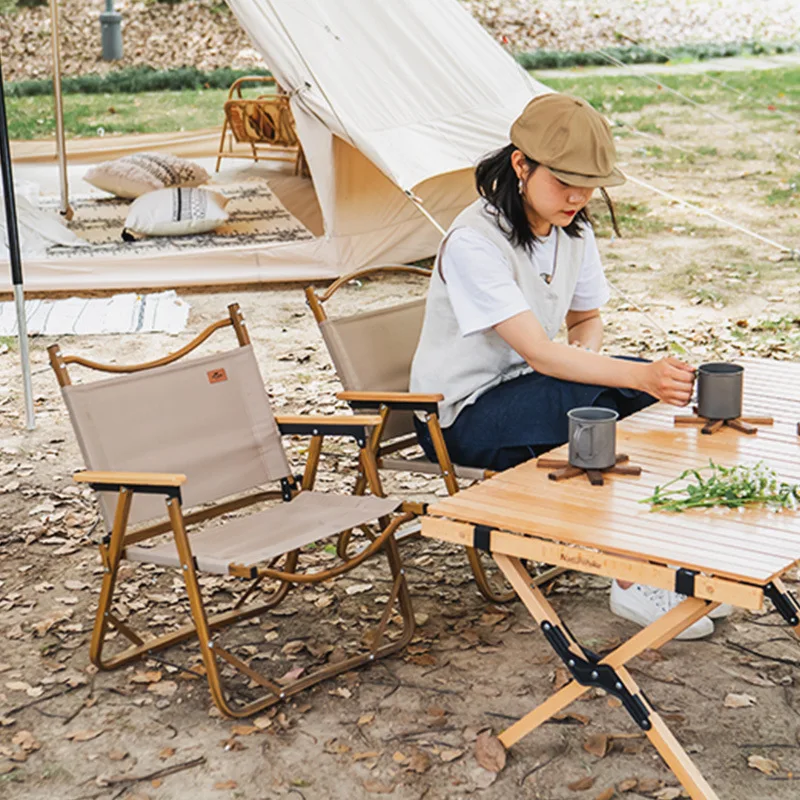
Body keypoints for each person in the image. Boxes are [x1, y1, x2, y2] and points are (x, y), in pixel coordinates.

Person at [409, 92, 729, 638]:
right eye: (564, 182)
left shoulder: (573, 229)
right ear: (521, 164)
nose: (578, 197)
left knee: (638, 396)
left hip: (527, 387)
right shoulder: (473, 241)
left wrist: (597, 356)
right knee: (613, 402)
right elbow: (538, 350)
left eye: (589, 184)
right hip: (462, 416)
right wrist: (631, 373)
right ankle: (630, 579)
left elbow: (586, 320)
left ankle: (664, 559)